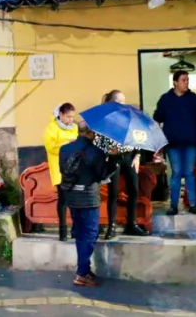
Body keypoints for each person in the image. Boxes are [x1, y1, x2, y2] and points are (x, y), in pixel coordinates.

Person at [59, 124, 118, 287]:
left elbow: (62, 170)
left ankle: (84, 269)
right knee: (91, 234)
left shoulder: (64, 149)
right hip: (88, 197)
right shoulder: (95, 151)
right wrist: (113, 158)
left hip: (71, 195)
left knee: (79, 233)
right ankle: (81, 273)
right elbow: (102, 174)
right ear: (91, 133)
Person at [95, 90, 149, 238]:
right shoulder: (104, 120)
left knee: (134, 190)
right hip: (114, 158)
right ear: (112, 103)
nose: (123, 104)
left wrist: (137, 155)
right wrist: (108, 151)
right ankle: (111, 227)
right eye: (120, 101)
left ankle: (131, 224)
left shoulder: (129, 118)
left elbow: (138, 136)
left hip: (129, 157)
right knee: (113, 193)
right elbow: (98, 142)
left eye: (124, 101)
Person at [153, 71, 196, 215]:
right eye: (183, 80)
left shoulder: (193, 98)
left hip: (191, 142)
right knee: (176, 173)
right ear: (175, 82)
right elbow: (157, 120)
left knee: (189, 173)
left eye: (187, 80)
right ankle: (173, 205)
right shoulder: (166, 99)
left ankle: (193, 204)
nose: (186, 83)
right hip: (172, 144)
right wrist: (158, 142)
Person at [43, 103, 79, 241]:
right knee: (63, 200)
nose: (71, 119)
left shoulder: (75, 127)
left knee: (76, 200)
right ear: (61, 115)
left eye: (72, 117)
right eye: (68, 117)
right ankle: (63, 231)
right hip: (59, 168)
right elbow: (51, 147)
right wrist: (68, 143)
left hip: (75, 168)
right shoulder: (51, 128)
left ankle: (76, 229)